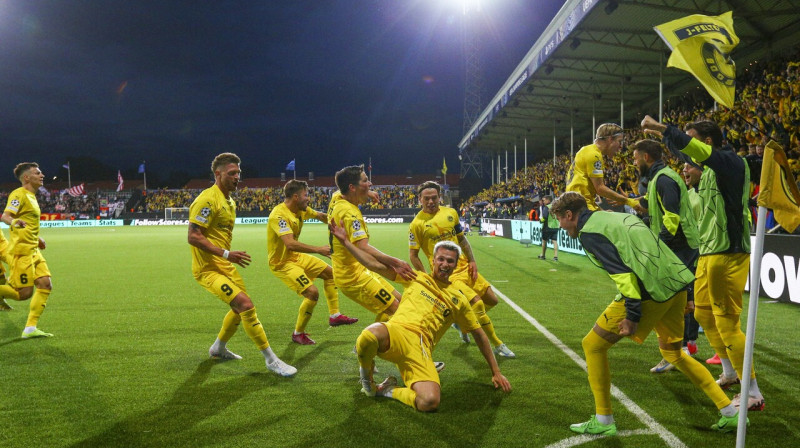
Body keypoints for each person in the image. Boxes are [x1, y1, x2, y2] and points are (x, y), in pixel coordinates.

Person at [550, 191, 746, 434]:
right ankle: (730, 412)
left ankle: (603, 421)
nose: (560, 225)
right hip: (675, 287)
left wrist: (632, 316)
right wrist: (687, 292)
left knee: (592, 345)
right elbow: (659, 248)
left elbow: (623, 275)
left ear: (569, 215)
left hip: (648, 293)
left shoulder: (590, 233)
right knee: (674, 354)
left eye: (559, 219)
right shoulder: (615, 217)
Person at [641, 115, 764, 411]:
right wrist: (665, 139)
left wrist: (662, 128)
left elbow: (689, 148)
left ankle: (753, 392)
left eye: (692, 137)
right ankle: (731, 372)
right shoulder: (707, 169)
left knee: (726, 321)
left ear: (707, 142)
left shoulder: (730, 164)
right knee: (704, 316)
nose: (686, 163)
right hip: (709, 254)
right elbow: (685, 152)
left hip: (728, 252)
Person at [331, 220, 511, 411]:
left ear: (455, 265)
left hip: (421, 349)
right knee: (368, 336)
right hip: (396, 333)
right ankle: (368, 384)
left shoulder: (460, 299)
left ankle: (386, 391)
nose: (445, 264)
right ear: (433, 261)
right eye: (441, 259)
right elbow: (372, 265)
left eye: (450, 261)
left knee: (429, 402)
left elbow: (479, 334)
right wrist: (345, 242)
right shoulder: (415, 277)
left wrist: (496, 372)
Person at [188, 152, 296, 376]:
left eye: (239, 173)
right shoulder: (208, 199)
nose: (237, 177)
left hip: (224, 266)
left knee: (239, 310)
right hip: (208, 269)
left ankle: (218, 348)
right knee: (245, 305)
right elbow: (194, 236)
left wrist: (226, 258)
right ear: (217, 174)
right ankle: (271, 360)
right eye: (232, 173)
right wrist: (227, 254)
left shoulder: (230, 201)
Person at [408, 181, 515, 358]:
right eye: (426, 199)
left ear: (439, 197)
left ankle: (462, 322)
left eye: (434, 198)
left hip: (465, 266)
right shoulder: (416, 224)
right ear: (419, 199)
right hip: (448, 274)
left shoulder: (451, 213)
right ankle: (498, 344)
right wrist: (427, 277)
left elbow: (463, 240)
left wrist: (472, 261)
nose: (431, 202)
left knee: (492, 300)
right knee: (478, 303)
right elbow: (413, 255)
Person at [630, 139, 701, 373]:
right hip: (678, 246)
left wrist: (657, 247)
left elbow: (672, 218)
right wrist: (624, 201)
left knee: (670, 300)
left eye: (635, 157)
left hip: (679, 246)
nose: (633, 161)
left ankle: (678, 351)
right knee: (678, 301)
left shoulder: (664, 179)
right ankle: (678, 350)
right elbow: (651, 206)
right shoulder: (658, 178)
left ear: (646, 157)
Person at [267, 179, 358, 346]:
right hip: (282, 263)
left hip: (295, 257)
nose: (308, 198)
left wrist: (339, 221)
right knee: (312, 293)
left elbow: (322, 216)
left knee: (331, 274)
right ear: (295, 197)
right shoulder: (279, 215)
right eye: (305, 195)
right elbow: (290, 243)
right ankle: (298, 333)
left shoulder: (301, 210)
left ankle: (334, 316)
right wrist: (318, 249)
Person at [327, 165, 414, 322]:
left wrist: (367, 191)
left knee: (401, 303)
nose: (371, 183)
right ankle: (368, 345)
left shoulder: (337, 198)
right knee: (396, 311)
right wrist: (396, 262)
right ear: (352, 188)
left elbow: (339, 191)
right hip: (352, 278)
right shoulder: (350, 214)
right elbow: (363, 247)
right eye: (366, 181)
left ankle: (374, 343)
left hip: (360, 269)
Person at [1, 163, 52, 338]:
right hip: (21, 253)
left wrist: (37, 239)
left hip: (33, 251)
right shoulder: (19, 194)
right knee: (23, 294)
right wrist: (13, 222)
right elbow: (6, 216)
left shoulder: (32, 196)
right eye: (38, 173)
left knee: (45, 283)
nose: (42, 175)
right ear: (27, 178)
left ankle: (30, 329)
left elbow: (26, 222)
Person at [566, 123, 641, 212]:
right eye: (619, 141)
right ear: (610, 139)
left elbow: (586, 191)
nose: (621, 146)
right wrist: (629, 201)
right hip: (581, 208)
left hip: (577, 205)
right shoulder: (594, 155)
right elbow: (600, 188)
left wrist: (601, 211)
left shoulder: (586, 150)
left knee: (610, 215)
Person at [0, 226, 18, 311]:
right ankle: (1, 303)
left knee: (17, 260)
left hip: (1, 243)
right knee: (1, 277)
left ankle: (14, 280)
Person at [537, 195, 559, 261]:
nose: (543, 202)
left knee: (544, 241)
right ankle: (555, 257)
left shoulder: (546, 207)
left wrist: (541, 221)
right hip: (555, 226)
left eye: (544, 200)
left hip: (547, 227)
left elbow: (545, 217)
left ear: (548, 200)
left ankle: (543, 255)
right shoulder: (555, 207)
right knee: (554, 241)